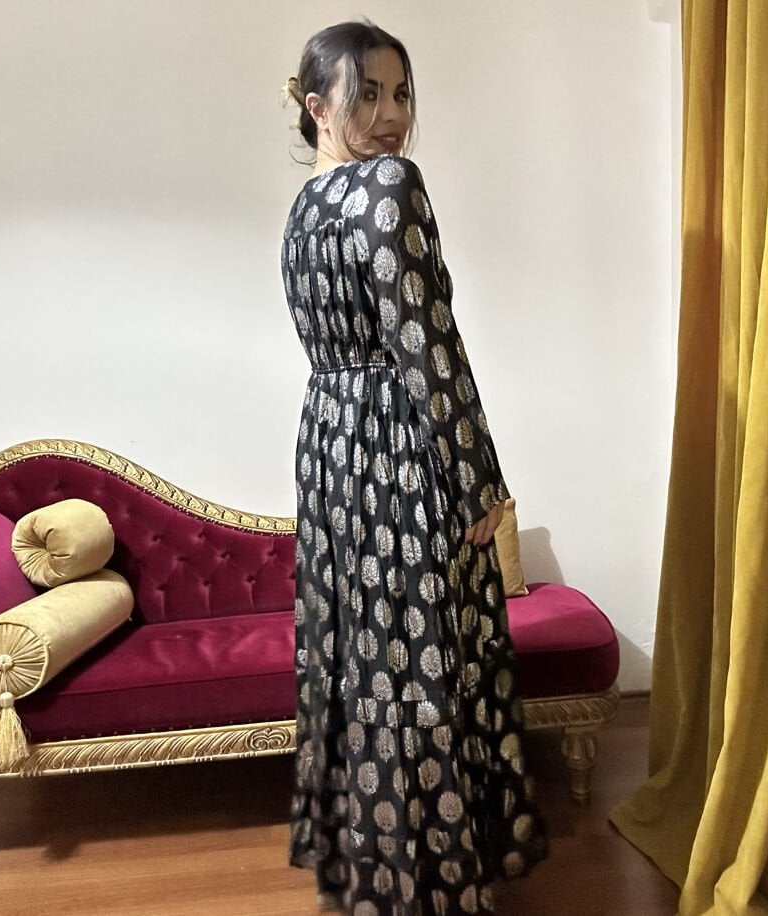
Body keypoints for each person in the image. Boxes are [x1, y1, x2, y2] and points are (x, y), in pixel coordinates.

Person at [280, 21, 547, 914]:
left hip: (329, 448)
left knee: (362, 660)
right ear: (317, 106)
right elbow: (427, 344)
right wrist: (479, 480)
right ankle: (436, 879)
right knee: (428, 658)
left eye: (401, 94)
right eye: (368, 94)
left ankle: (377, 866)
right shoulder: (390, 185)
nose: (392, 115)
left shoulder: (301, 213)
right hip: (401, 445)